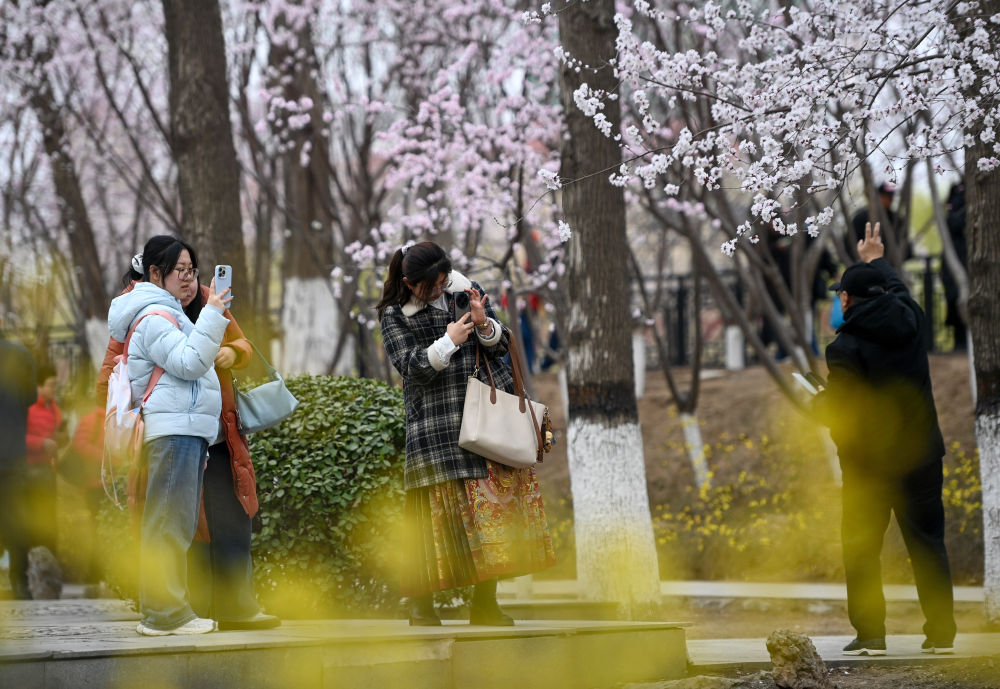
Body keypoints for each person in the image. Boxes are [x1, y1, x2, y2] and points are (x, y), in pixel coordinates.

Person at [100, 240, 278, 632]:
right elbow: (190, 362)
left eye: (191, 270)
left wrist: (230, 347)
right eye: (180, 270)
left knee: (187, 523)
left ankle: (181, 611)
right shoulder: (155, 316)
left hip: (201, 431)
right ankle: (166, 614)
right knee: (170, 524)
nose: (190, 279)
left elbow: (236, 346)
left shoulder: (168, 312)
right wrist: (213, 314)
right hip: (174, 429)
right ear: (153, 273)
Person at [377, 241, 555, 626]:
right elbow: (410, 367)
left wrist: (484, 323)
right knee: (432, 522)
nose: (441, 290)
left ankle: (485, 605)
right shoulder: (394, 315)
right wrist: (449, 341)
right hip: (435, 426)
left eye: (444, 281)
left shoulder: (465, 290)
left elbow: (501, 347)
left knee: (491, 511)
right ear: (409, 282)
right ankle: (422, 607)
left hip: (487, 419)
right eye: (432, 286)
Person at [814, 223, 956, 657]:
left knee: (860, 548)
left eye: (842, 293)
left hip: (869, 467)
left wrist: (817, 401)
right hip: (922, 457)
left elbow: (841, 409)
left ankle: (872, 634)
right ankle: (941, 633)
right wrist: (876, 260)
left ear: (847, 300)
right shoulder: (910, 319)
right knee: (928, 543)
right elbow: (895, 289)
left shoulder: (845, 349)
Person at [0, 318, 36, 599]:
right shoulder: (21, 355)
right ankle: (20, 584)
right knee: (16, 519)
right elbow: (30, 397)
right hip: (12, 452)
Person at [24, 364, 66, 561]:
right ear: (38, 386)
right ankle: (31, 564)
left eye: (56, 385)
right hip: (30, 473)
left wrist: (61, 438)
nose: (54, 390)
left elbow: (58, 436)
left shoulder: (54, 408)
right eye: (50, 385)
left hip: (48, 472)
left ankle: (49, 564)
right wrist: (42, 443)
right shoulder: (27, 408)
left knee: (50, 521)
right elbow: (17, 437)